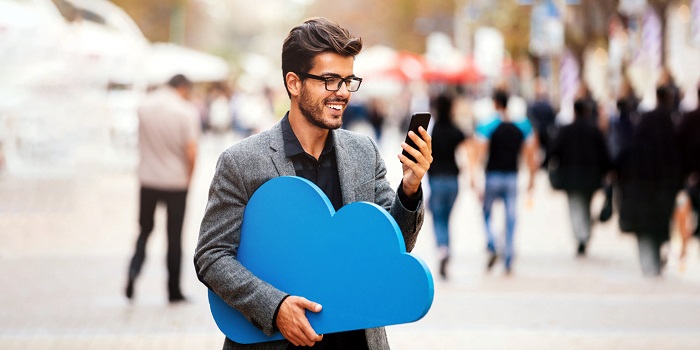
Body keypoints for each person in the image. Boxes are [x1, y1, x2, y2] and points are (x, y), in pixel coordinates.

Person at [194, 18, 432, 350]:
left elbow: (393, 250)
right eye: (330, 80)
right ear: (294, 83)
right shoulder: (242, 162)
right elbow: (212, 256)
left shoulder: (364, 153)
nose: (343, 93)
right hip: (272, 342)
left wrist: (409, 188)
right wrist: (275, 308)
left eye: (349, 80)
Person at [126, 74, 200, 302]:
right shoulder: (185, 111)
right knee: (174, 237)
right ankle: (173, 290)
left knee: (144, 230)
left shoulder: (144, 106)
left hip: (148, 179)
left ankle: (133, 270)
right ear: (183, 88)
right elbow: (191, 151)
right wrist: (189, 179)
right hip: (175, 182)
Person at [616, 86, 683, 277]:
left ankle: (650, 268)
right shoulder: (670, 131)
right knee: (659, 226)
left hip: (642, 194)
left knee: (646, 231)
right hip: (662, 191)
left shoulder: (640, 139)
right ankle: (654, 266)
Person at [470, 89, 537, 274]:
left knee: (486, 212)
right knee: (511, 217)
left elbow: (480, 152)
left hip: (492, 176)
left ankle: (492, 244)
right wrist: (532, 177)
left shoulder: (487, 126)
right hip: (512, 177)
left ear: (495, 103)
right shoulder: (521, 126)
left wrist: (474, 175)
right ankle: (508, 256)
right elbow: (530, 152)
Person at [547, 100, 612, 256]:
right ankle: (584, 234)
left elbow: (553, 150)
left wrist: (546, 164)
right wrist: (608, 170)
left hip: (570, 177)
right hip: (591, 176)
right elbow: (604, 153)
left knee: (576, 206)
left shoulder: (566, 130)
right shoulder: (594, 131)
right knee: (585, 204)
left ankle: (581, 236)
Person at [427, 92, 467, 279]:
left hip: (436, 180)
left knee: (438, 218)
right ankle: (446, 249)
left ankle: (442, 248)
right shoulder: (454, 129)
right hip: (453, 180)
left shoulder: (432, 131)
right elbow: (467, 144)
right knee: (447, 218)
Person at [676, 86, 700, 269]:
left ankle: (684, 247)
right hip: (692, 175)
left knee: (684, 209)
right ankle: (684, 247)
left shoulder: (689, 118)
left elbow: (680, 145)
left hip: (691, 175)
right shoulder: (690, 118)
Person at [526, 78, 557, 168]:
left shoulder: (533, 105)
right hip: (544, 131)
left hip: (538, 131)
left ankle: (538, 164)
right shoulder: (547, 105)